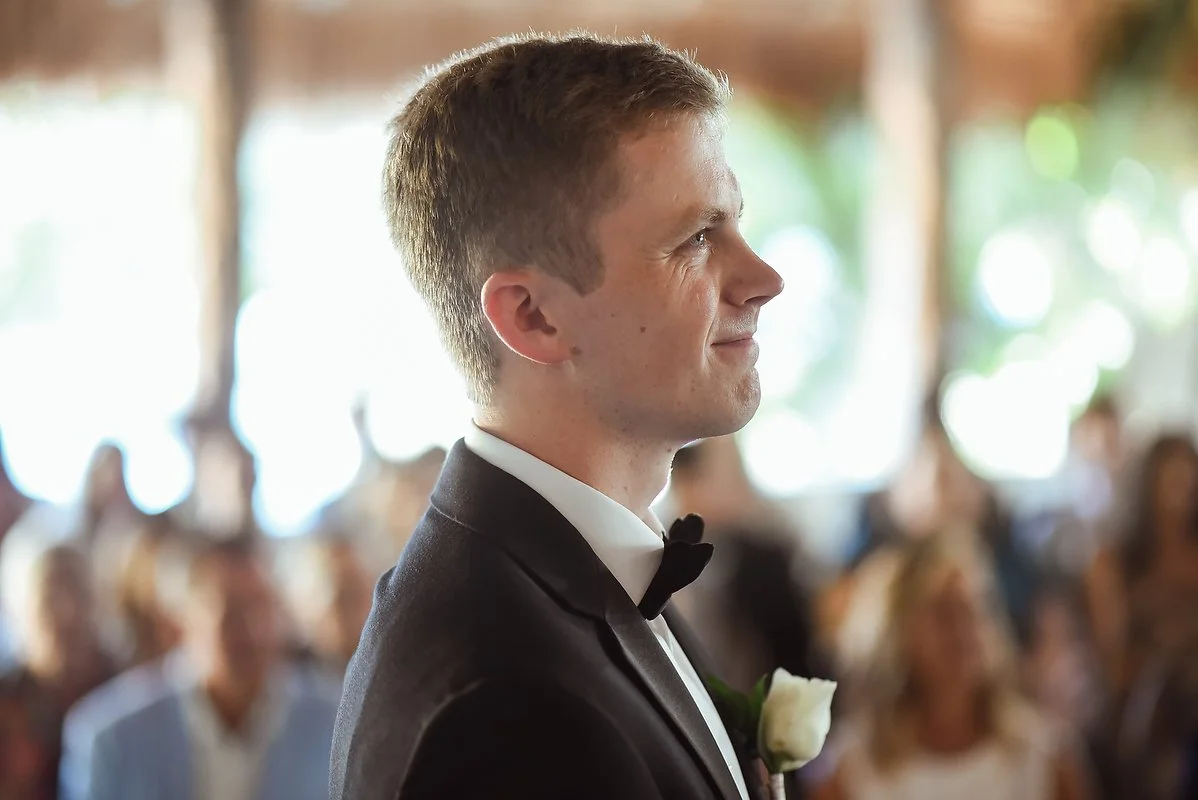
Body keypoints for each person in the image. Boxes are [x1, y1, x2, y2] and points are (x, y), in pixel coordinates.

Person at [332, 32, 785, 800]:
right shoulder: (499, 705)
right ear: (533, 316)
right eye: (696, 239)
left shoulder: (580, 572)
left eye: (735, 223)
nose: (764, 278)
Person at [812, 534, 1089, 800]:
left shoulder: (1045, 758)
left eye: (974, 608)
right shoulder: (851, 772)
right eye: (944, 612)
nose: (963, 630)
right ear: (898, 633)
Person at [62, 537, 339, 800]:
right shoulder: (112, 737)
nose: (253, 631)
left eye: (263, 609)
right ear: (180, 620)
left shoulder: (332, 724)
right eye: (232, 613)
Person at [0, 511, 115, 800]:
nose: (68, 613)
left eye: (79, 592)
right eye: (50, 597)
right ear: (17, 610)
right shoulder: (7, 705)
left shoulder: (125, 692)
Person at [278, 534, 373, 676]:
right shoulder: (290, 678)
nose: (360, 613)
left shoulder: (382, 666)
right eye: (345, 598)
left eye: (361, 594)